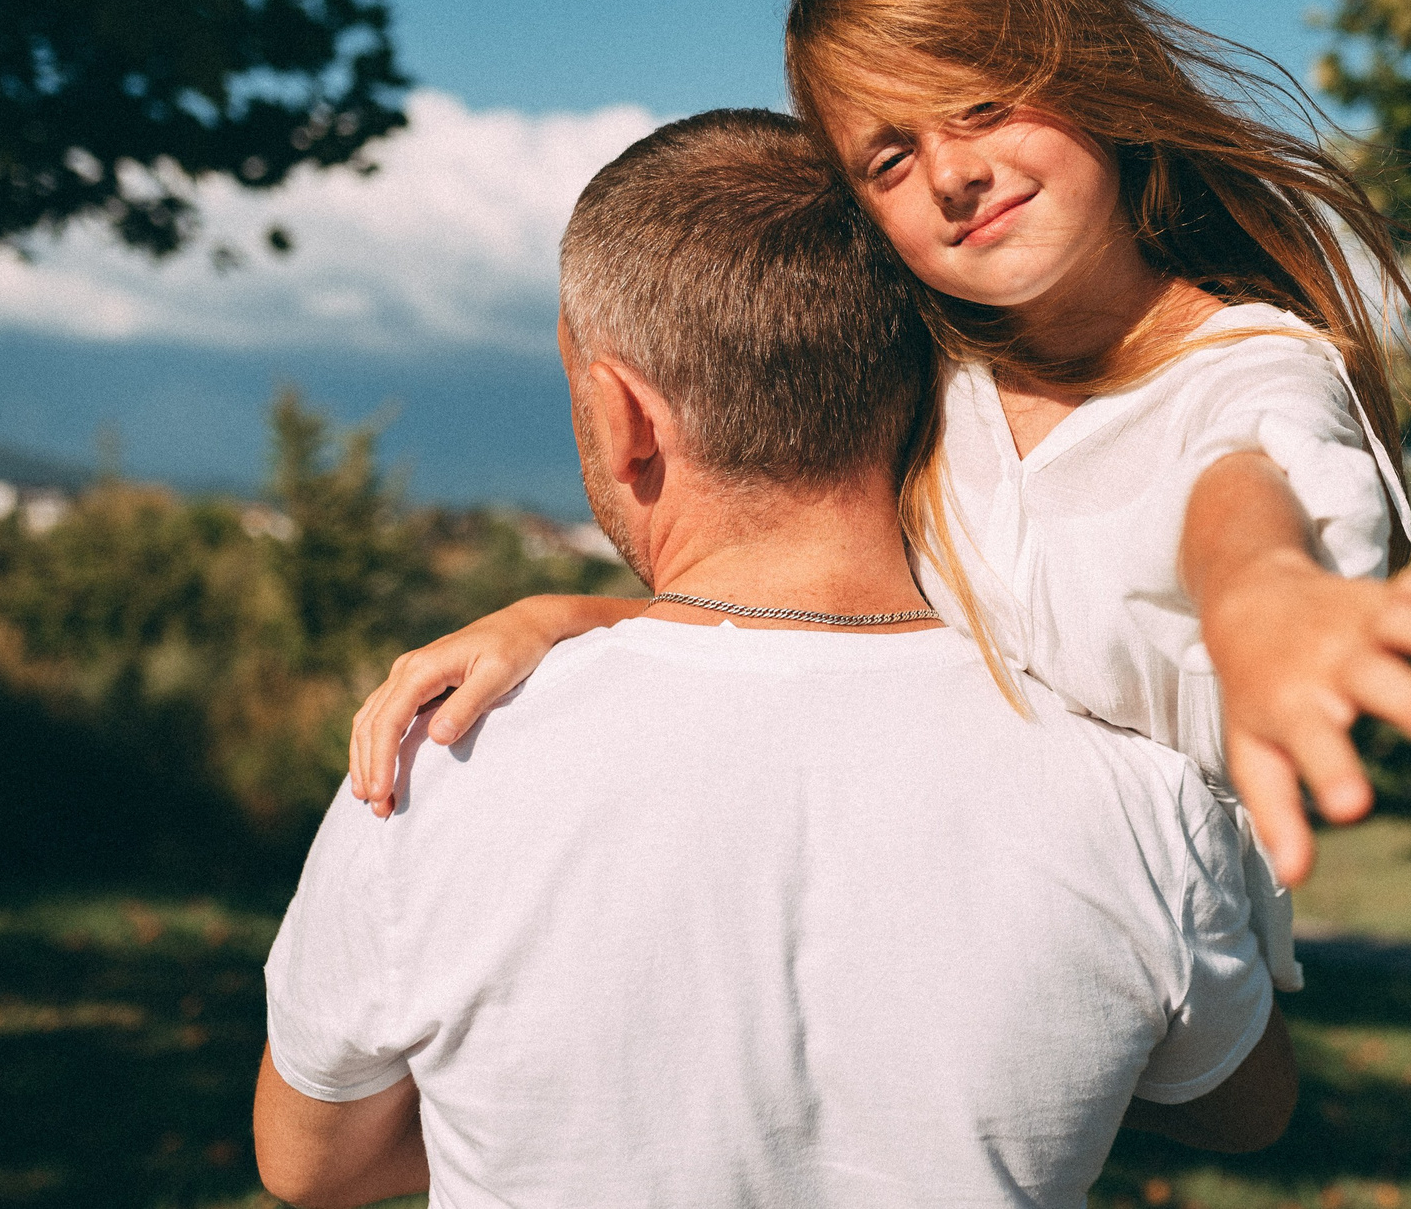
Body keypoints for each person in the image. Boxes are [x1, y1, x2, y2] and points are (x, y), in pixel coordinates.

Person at [347, 0, 1411, 994]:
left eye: (987, 102)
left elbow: (1237, 494)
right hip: (926, 921)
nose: (953, 170)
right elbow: (811, 597)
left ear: (1092, 73)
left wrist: (1261, 599)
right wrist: (564, 621)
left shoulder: (1251, 369)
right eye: (890, 156)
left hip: (1154, 962)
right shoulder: (942, 373)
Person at [256, 109, 1294, 1209]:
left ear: (623, 416)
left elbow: (314, 1164)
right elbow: (1245, 1104)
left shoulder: (435, 768)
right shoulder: (1126, 775)